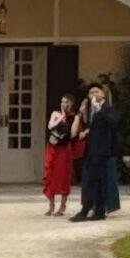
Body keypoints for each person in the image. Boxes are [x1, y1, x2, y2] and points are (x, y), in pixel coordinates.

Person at [74, 76, 123, 221]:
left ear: (103, 94)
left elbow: (114, 123)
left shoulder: (108, 108)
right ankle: (94, 209)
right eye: (90, 93)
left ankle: (92, 210)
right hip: (92, 150)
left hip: (104, 151)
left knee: (99, 181)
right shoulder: (90, 110)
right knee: (92, 181)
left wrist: (99, 110)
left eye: (96, 92)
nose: (93, 95)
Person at [40, 91, 82, 221]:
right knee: (50, 173)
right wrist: (61, 117)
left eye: (66, 102)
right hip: (52, 147)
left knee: (63, 175)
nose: (63, 104)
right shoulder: (55, 113)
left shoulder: (74, 117)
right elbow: (50, 126)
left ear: (71, 104)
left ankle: (62, 205)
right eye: (62, 101)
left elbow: (73, 134)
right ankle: (51, 205)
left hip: (64, 149)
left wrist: (75, 119)